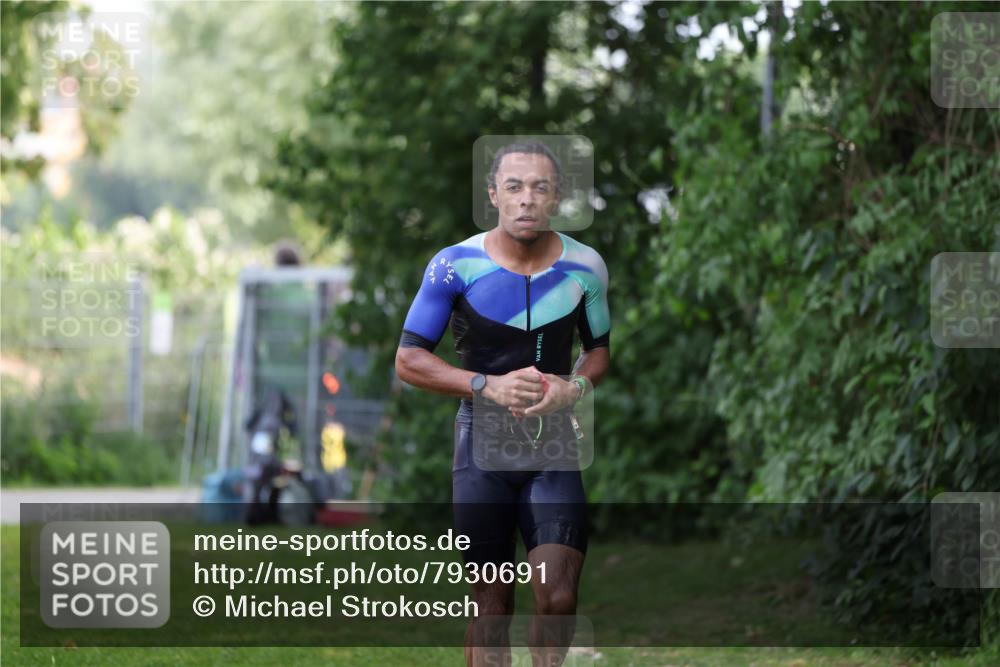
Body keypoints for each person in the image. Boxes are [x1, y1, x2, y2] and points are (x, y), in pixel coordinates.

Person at [395, 141, 610, 666]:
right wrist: (484, 385)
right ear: (494, 195)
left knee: (558, 598)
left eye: (540, 187)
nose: (526, 198)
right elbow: (408, 359)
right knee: (491, 608)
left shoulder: (585, 267)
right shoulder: (454, 265)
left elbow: (598, 351)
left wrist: (574, 388)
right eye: (514, 187)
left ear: (556, 197)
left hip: (553, 447)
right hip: (481, 449)